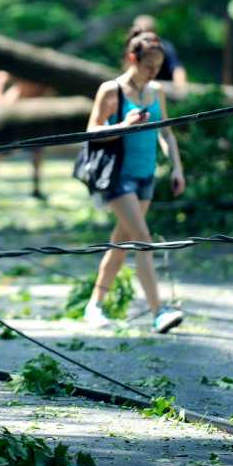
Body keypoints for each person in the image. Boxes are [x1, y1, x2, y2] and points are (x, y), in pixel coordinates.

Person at [83, 30, 185, 333]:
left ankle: (94, 305)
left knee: (121, 243)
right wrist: (124, 126)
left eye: (158, 67)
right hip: (118, 177)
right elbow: (90, 132)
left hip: (146, 177)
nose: (153, 72)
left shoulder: (156, 91)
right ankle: (158, 312)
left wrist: (176, 167)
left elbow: (166, 132)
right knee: (143, 239)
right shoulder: (111, 90)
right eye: (148, 66)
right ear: (132, 59)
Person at [0, 70, 51, 200]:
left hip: (32, 118)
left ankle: (36, 189)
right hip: (12, 114)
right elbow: (1, 76)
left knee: (37, 153)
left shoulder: (43, 76)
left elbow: (48, 93)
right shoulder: (21, 73)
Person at [132, 15, 188, 99]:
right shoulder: (133, 47)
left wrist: (180, 90)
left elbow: (177, 69)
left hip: (163, 87)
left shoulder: (164, 47)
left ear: (153, 32)